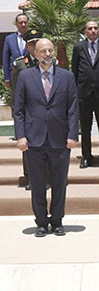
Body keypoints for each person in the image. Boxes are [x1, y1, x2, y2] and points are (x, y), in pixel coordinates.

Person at [13, 38, 79, 237]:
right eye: (43, 51)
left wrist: (72, 134)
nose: (47, 54)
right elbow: (18, 110)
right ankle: (41, 221)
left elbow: (73, 109)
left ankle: (57, 220)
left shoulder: (67, 77)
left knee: (60, 182)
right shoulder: (25, 77)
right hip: (34, 139)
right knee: (38, 183)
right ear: (36, 54)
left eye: (50, 50)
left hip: (60, 139)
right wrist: (21, 136)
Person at [72, 20, 99, 169]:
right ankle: (86, 157)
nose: (92, 31)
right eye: (89, 28)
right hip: (84, 93)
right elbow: (74, 71)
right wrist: (74, 91)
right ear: (85, 31)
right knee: (85, 127)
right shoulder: (78, 47)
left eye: (95, 28)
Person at [11, 28, 45, 191]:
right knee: (29, 148)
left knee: (46, 145)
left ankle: (45, 177)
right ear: (26, 45)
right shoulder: (20, 64)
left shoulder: (49, 62)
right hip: (28, 113)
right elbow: (16, 92)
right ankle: (31, 178)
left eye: (36, 43)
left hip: (45, 112)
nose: (33, 46)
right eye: (31, 44)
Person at [3, 13, 29, 89]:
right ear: (16, 24)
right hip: (14, 75)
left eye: (25, 22)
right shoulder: (9, 39)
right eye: (21, 22)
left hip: (30, 73)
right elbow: (5, 59)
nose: (23, 24)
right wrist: (7, 78)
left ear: (28, 23)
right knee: (16, 98)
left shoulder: (32, 39)